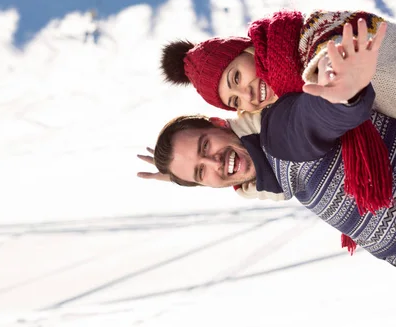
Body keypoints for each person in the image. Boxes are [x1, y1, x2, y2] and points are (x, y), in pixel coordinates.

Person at [151, 20, 396, 265]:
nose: (213, 162)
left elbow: (311, 117)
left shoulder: (277, 134)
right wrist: (177, 172)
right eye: (200, 172)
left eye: (204, 146)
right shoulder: (269, 172)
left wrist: (341, 95)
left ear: (220, 122)